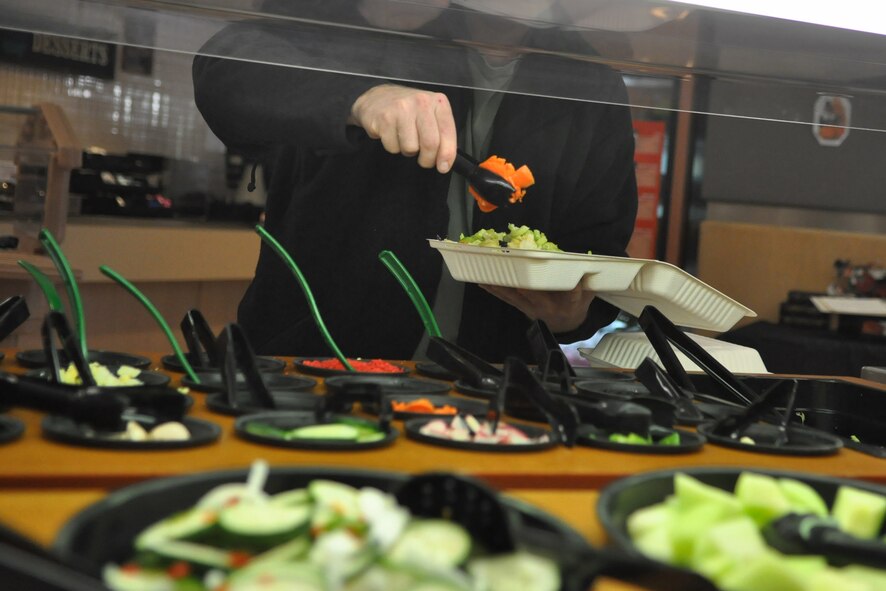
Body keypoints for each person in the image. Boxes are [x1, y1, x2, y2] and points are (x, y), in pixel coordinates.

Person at [192, 1, 637, 363]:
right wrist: (360, 98)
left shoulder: (590, 83)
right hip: (318, 363)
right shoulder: (388, 17)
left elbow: (599, 251)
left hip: (494, 384)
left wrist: (569, 316)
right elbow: (223, 67)